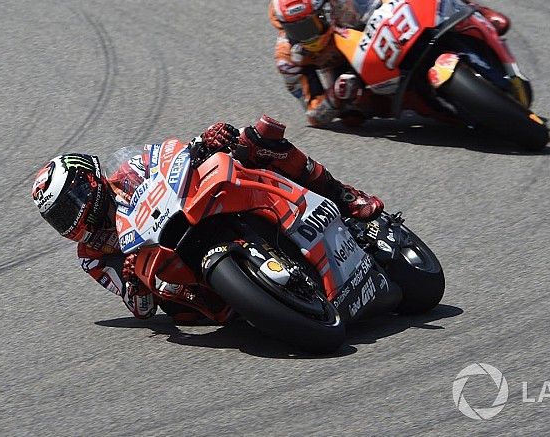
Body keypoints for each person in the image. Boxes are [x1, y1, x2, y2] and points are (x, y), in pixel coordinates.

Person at [30, 115, 383, 323]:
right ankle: (258, 297)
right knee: (170, 297)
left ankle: (342, 195)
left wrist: (202, 141)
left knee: (254, 143)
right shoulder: (92, 256)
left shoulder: (127, 170)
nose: (69, 219)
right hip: (186, 282)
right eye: (58, 217)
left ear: (89, 180)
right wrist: (133, 285)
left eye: (69, 204)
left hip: (187, 211)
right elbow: (143, 311)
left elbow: (169, 159)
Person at [270, 0, 512, 126]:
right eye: (295, 30)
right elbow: (312, 113)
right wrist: (335, 97)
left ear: (326, 9)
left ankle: (475, 10)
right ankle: (434, 104)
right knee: (354, 115)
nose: (304, 36)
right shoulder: (288, 58)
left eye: (308, 25)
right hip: (352, 69)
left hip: (384, 28)